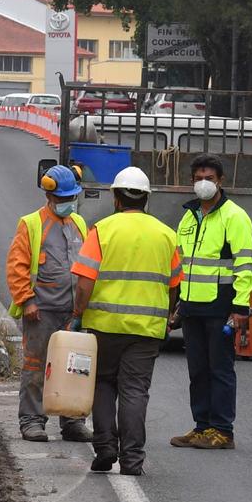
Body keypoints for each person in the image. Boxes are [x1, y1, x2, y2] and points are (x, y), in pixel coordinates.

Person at [70, 166, 181, 476]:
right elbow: (173, 286)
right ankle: (132, 460)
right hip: (147, 330)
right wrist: (166, 318)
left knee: (103, 385)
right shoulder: (166, 235)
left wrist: (77, 315)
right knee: (134, 391)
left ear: (115, 197)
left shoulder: (102, 231)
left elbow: (84, 283)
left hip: (103, 327)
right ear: (146, 199)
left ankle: (105, 447)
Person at [169, 154, 252, 451]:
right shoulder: (188, 217)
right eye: (197, 178)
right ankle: (202, 426)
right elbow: (182, 263)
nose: (202, 183)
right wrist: (179, 304)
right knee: (198, 370)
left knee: (220, 369)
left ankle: (222, 430)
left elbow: (245, 265)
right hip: (192, 306)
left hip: (221, 307)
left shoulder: (235, 216)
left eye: (208, 178)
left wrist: (240, 306)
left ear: (220, 181)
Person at [7, 164, 90, 443]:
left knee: (75, 368)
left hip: (73, 310)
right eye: (63, 199)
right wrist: (26, 300)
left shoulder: (78, 223)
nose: (68, 204)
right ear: (49, 196)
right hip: (41, 311)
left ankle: (73, 421)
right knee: (36, 366)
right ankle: (32, 420)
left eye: (71, 198)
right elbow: (17, 267)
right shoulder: (31, 224)